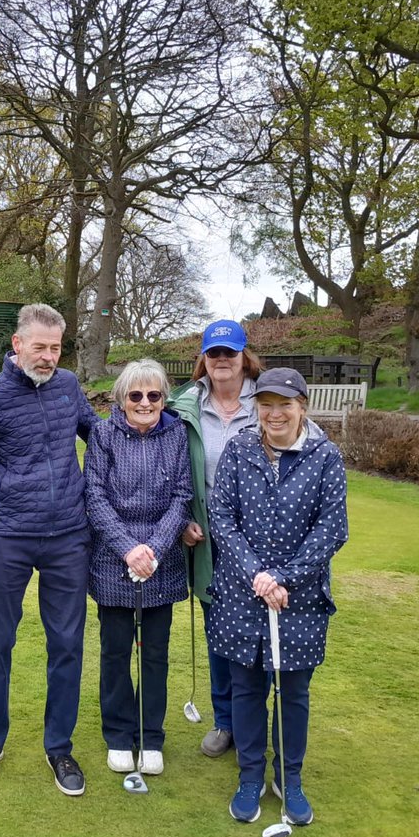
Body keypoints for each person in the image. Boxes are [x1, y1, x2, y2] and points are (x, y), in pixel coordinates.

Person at [0, 303, 99, 796]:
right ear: (17, 345)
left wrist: (153, 429)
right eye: (40, 347)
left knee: (67, 645)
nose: (49, 357)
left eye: (56, 348)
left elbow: (98, 437)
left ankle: (60, 747)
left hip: (69, 537)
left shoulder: (69, 386)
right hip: (11, 535)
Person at [206, 367, 348, 827]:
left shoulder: (326, 457)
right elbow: (221, 514)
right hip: (242, 593)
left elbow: (332, 528)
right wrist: (257, 574)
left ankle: (290, 779)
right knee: (246, 689)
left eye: (284, 404)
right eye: (266, 404)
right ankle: (250, 777)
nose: (274, 413)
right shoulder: (239, 449)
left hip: (298, 597)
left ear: (302, 406)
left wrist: (284, 577)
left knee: (293, 693)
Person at [84, 359, 192, 777]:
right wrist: (130, 549)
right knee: (114, 652)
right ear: (121, 399)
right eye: (136, 395)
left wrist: (156, 548)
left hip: (160, 562)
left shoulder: (176, 434)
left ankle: (150, 737)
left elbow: (182, 497)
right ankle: (118, 734)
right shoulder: (104, 434)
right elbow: (94, 497)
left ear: (164, 399)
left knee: (155, 655)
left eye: (154, 395)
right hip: (114, 558)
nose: (145, 403)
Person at [169, 319, 263, 758]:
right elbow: (172, 468)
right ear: (203, 359)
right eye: (214, 353)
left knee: (259, 632)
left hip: (261, 537)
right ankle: (226, 722)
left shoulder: (268, 401)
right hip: (205, 537)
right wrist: (184, 519)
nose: (222, 360)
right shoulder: (184, 404)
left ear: (245, 356)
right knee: (218, 633)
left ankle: (255, 723)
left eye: (230, 352)